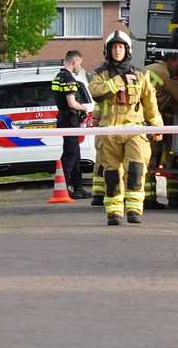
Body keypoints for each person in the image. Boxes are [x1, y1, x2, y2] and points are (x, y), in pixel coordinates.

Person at [88, 30, 163, 226]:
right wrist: (116, 82)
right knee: (112, 173)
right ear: (108, 50)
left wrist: (157, 126)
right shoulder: (98, 74)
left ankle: (134, 209)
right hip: (109, 131)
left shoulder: (141, 74)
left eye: (121, 47)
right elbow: (95, 92)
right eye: (114, 47)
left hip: (134, 129)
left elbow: (150, 103)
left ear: (127, 50)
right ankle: (114, 211)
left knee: (136, 170)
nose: (117, 51)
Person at [144, 52, 178, 208]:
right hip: (157, 121)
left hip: (142, 120)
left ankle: (147, 197)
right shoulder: (165, 74)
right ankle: (173, 198)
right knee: (172, 157)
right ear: (172, 61)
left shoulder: (145, 69)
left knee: (147, 158)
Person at [51, 50, 94, 198]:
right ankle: (64, 186)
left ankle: (78, 187)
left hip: (64, 117)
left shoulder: (58, 77)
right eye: (79, 64)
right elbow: (71, 102)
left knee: (75, 153)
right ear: (74, 62)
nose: (79, 67)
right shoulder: (69, 79)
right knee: (70, 154)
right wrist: (83, 107)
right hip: (70, 119)